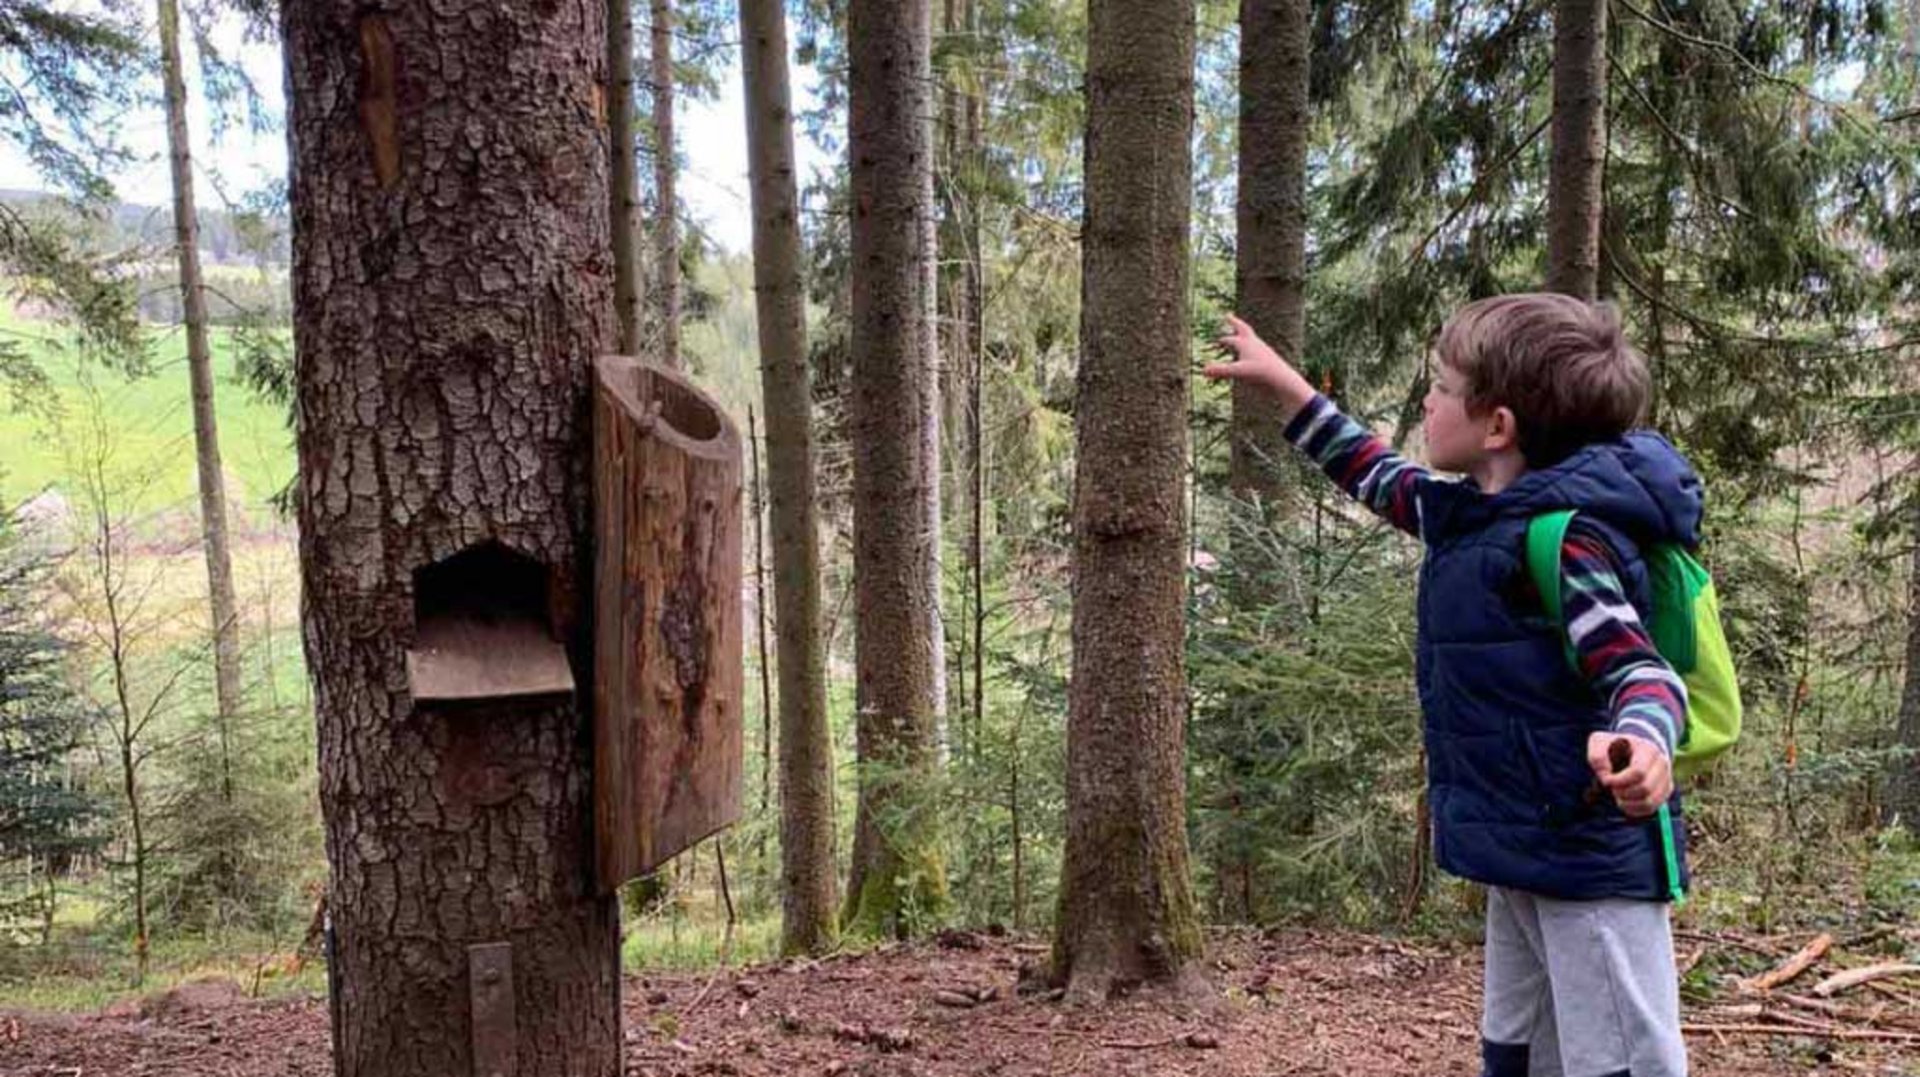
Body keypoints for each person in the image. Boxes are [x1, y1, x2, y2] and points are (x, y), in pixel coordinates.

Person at [1208, 294, 1694, 1077]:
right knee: (1521, 1051)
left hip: (1590, 860)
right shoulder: (1470, 516)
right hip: (1523, 850)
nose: (1427, 399)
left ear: (1496, 425)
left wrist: (1643, 739)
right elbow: (1373, 472)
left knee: (1616, 1061)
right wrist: (1289, 388)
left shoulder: (1566, 542)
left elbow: (1639, 668)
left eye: (1441, 383)